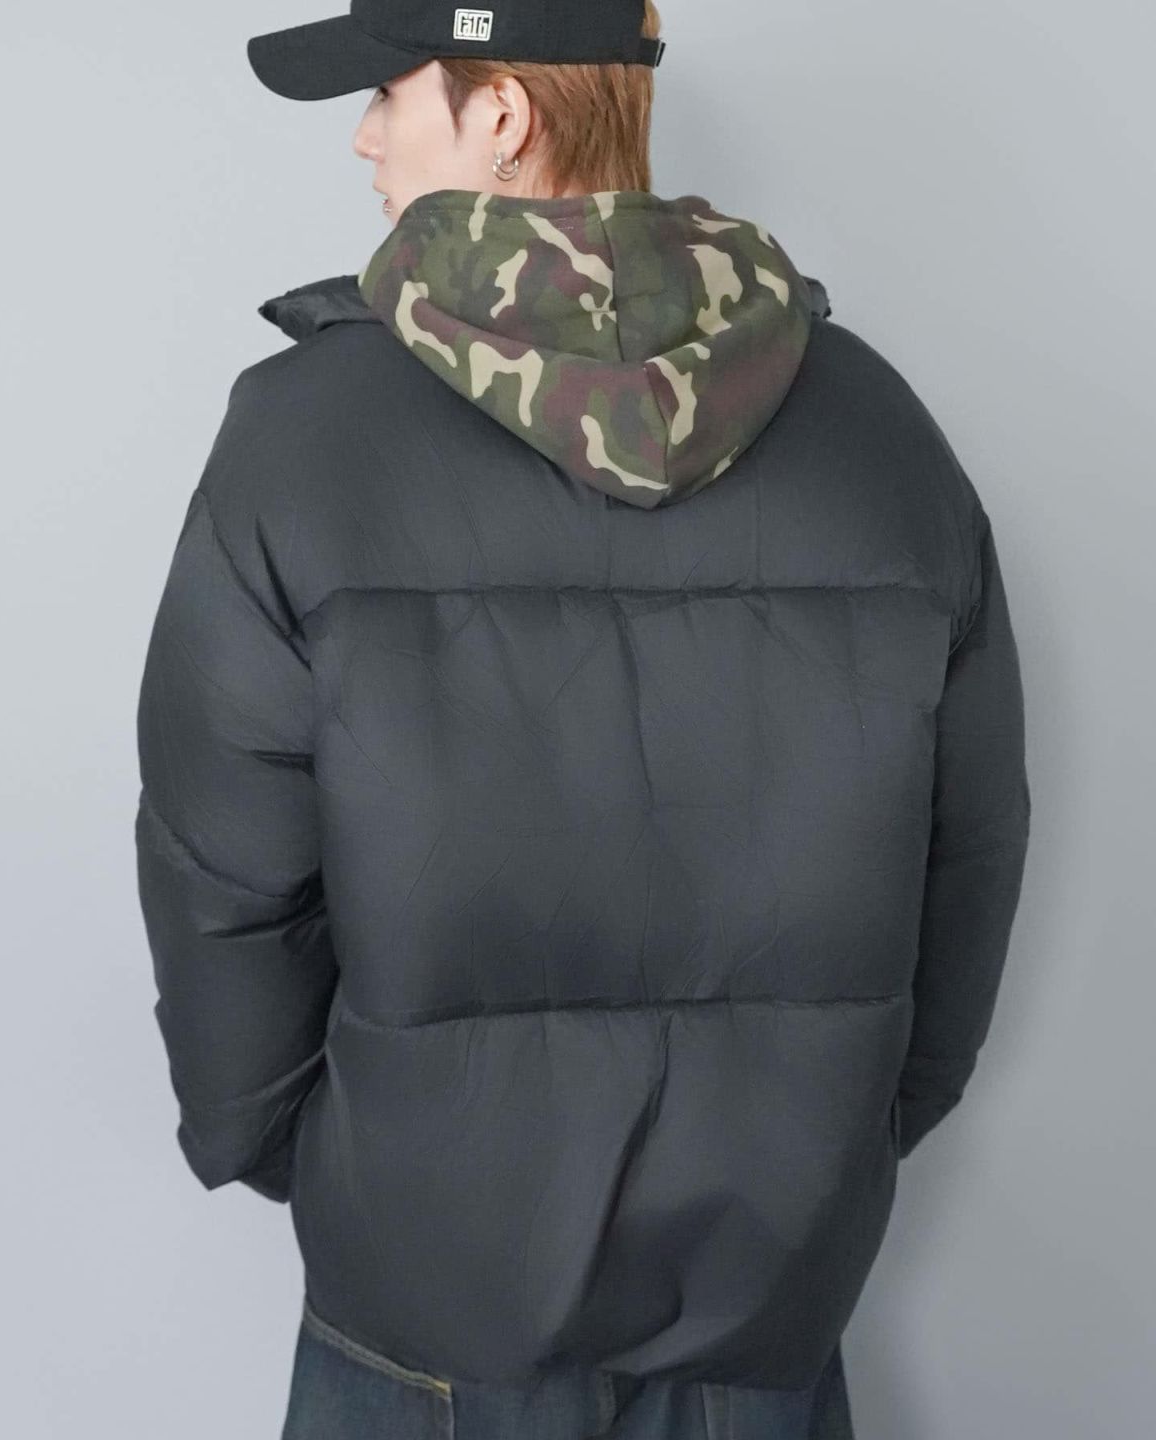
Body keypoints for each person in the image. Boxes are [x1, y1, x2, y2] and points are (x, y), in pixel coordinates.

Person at [132, 1, 1032, 1436]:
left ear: (501, 113)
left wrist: (351, 1173)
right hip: (764, 1322)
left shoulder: (301, 437)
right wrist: (825, 1160)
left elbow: (221, 886)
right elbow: (968, 865)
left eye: (390, 92)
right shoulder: (879, 429)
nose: (364, 137)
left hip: (426, 1317)